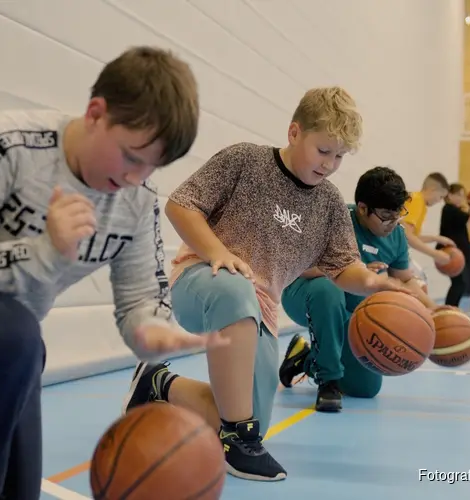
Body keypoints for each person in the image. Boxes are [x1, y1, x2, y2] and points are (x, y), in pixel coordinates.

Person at [0, 46, 221, 500]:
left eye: (152, 166)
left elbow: (139, 303)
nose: (134, 176)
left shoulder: (136, 202)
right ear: (95, 113)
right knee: (14, 336)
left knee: (11, 490)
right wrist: (42, 251)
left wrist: (152, 331)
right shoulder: (7, 145)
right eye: (130, 155)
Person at [122, 87, 414, 482]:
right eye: (323, 150)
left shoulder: (328, 203)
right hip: (202, 283)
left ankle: (157, 384)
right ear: (294, 133)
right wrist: (215, 252)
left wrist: (380, 286)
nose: (330, 164)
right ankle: (236, 443)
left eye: (340, 156)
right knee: (237, 288)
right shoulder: (245, 160)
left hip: (260, 310)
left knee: (248, 415)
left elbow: (345, 268)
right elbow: (180, 204)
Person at [278, 166, 437, 413]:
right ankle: (328, 381)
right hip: (305, 294)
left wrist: (434, 310)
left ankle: (304, 359)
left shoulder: (396, 235)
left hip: (349, 311)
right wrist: (352, 269)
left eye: (398, 214)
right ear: (363, 209)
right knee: (326, 289)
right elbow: (297, 265)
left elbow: (406, 280)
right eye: (386, 216)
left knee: (366, 388)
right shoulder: (335, 220)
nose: (393, 223)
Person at [401, 173, 455, 278]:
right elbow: (406, 236)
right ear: (433, 189)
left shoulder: (421, 204)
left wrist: (436, 238)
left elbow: (412, 237)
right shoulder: (416, 200)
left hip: (397, 253)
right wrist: (435, 254)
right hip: (390, 254)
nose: (439, 201)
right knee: (419, 282)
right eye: (440, 197)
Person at [439, 183, 470, 307]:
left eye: (462, 196)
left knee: (460, 283)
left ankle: (452, 308)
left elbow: (466, 222)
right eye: (458, 195)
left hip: (457, 253)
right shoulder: (449, 208)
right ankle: (450, 309)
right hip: (452, 253)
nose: (461, 198)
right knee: (459, 283)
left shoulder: (453, 211)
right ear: (450, 195)